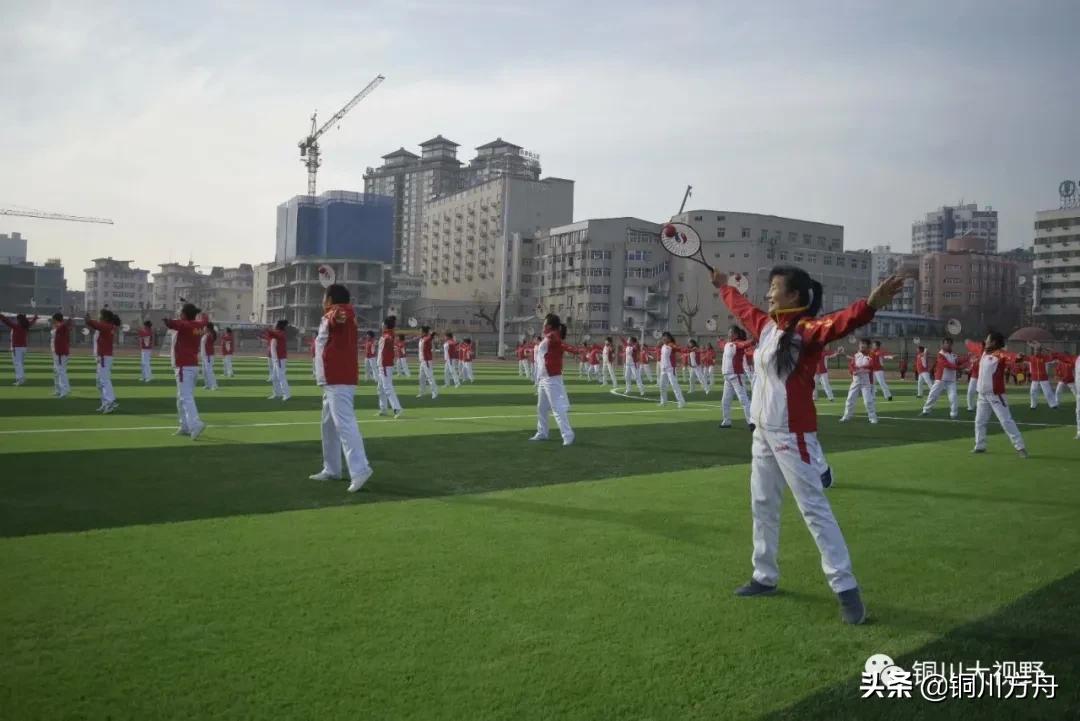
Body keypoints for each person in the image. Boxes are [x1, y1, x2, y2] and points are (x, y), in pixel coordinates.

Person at [711, 265, 904, 624]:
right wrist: (724, 287)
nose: (768, 294)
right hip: (763, 432)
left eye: (774, 288)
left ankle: (846, 590)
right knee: (763, 503)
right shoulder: (767, 327)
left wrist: (870, 305)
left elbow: (839, 323)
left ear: (794, 296)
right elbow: (742, 308)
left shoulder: (806, 331)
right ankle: (764, 575)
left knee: (813, 508)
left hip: (792, 433)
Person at [309, 284, 374, 492]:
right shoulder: (334, 314)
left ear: (330, 300)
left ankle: (360, 469)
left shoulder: (339, 313)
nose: (322, 301)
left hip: (338, 378)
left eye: (323, 297)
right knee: (328, 426)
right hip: (332, 379)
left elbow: (340, 316)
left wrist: (336, 314)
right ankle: (332, 468)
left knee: (344, 424)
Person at [972, 331, 1027, 457]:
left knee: (1006, 421)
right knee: (979, 422)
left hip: (996, 395)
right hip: (982, 395)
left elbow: (1011, 356)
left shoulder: (1000, 354)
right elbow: (973, 346)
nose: (985, 342)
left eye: (988, 340)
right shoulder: (984, 352)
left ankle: (1020, 447)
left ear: (994, 342)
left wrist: (1018, 357)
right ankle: (980, 446)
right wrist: (968, 342)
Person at [164, 303, 209, 439]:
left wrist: (168, 320)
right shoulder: (199, 325)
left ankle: (195, 424)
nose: (179, 314)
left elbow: (171, 323)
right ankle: (184, 425)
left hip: (184, 366)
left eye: (181, 312)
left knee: (185, 397)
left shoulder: (186, 326)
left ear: (184, 314)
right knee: (181, 398)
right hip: (193, 366)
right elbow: (205, 319)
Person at [529, 313, 575, 446]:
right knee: (541, 408)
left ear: (548, 325)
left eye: (544, 323)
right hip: (544, 378)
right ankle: (542, 432)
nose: (542, 325)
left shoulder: (552, 335)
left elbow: (562, 345)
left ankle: (568, 435)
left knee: (557, 408)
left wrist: (576, 351)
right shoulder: (548, 336)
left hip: (552, 378)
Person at [839, 339, 879, 424]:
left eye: (863, 344)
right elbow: (851, 366)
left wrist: (861, 369)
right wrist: (853, 371)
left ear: (868, 346)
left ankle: (873, 418)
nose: (861, 346)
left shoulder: (872, 355)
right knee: (850, 399)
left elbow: (871, 366)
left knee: (868, 400)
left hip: (866, 382)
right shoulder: (856, 355)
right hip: (855, 380)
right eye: (860, 344)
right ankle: (846, 416)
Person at [86, 310, 118, 413]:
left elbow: (95, 324)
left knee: (104, 380)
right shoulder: (106, 326)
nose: (98, 316)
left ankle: (110, 401)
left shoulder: (107, 326)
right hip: (102, 357)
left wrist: (89, 320)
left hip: (104, 356)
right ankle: (105, 402)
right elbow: (96, 326)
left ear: (105, 318)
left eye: (100, 315)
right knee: (99, 383)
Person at [719, 327, 752, 429]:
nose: (729, 334)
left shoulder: (737, 344)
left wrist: (754, 339)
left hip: (736, 375)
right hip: (727, 377)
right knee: (725, 401)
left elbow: (745, 344)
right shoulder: (728, 344)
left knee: (743, 399)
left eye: (731, 333)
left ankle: (752, 422)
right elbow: (722, 345)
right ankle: (726, 421)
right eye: (729, 332)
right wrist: (720, 341)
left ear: (736, 335)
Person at [921, 338, 959, 418]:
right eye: (946, 343)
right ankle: (926, 410)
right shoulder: (940, 354)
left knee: (953, 397)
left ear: (952, 345)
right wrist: (959, 367)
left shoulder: (953, 355)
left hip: (951, 380)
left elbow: (959, 361)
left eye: (949, 343)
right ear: (943, 344)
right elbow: (946, 364)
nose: (948, 345)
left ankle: (954, 414)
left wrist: (969, 358)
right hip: (940, 379)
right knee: (933, 395)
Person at [375, 316, 404, 418]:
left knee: (387, 387)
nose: (382, 325)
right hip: (382, 364)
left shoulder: (388, 336)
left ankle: (397, 409)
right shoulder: (387, 335)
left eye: (383, 323)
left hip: (385, 365)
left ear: (385, 325)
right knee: (380, 388)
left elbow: (390, 339)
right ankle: (383, 409)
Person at [1, 312, 37, 385]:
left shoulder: (17, 326)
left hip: (17, 348)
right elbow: (31, 322)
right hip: (23, 347)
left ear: (19, 320)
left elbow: (7, 321)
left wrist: (1, 315)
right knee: (20, 364)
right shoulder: (25, 326)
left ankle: (20, 379)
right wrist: (35, 318)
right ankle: (22, 378)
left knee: (17, 364)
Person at [657, 332, 686, 408]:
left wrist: (684, 351)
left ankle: (681, 402)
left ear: (669, 338)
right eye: (663, 337)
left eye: (665, 337)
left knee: (674, 385)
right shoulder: (663, 346)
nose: (664, 338)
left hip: (670, 369)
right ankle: (663, 401)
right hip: (663, 369)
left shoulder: (671, 345)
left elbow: (679, 348)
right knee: (662, 386)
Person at [1027, 344, 1059, 409]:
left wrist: (1050, 351)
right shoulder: (1031, 358)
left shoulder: (1045, 358)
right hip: (1034, 378)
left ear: (1040, 351)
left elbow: (1053, 358)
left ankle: (1053, 405)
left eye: (1038, 350)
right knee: (1033, 392)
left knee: (1048, 392)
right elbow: (1019, 359)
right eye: (1035, 350)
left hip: (1043, 378)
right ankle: (1033, 405)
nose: (1036, 352)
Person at [267, 319, 291, 401]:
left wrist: (266, 329)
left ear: (278, 326)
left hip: (279, 359)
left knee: (281, 377)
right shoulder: (277, 333)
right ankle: (277, 393)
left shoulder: (280, 333)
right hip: (276, 359)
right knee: (274, 377)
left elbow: (272, 334)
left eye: (275, 323)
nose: (273, 324)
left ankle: (286, 394)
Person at [50, 312, 72, 398]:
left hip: (60, 353)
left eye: (53, 319)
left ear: (55, 319)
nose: (52, 321)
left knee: (61, 372)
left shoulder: (62, 326)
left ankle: (65, 391)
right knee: (56, 372)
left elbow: (65, 324)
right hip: (55, 352)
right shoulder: (58, 326)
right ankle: (58, 390)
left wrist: (70, 316)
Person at [416, 326, 439, 399]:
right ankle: (422, 392)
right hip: (422, 361)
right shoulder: (421, 339)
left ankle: (434, 392)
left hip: (427, 361)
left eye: (421, 331)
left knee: (429, 377)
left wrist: (433, 333)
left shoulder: (427, 339)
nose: (419, 332)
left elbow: (430, 337)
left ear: (424, 332)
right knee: (421, 378)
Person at [965, 342, 983, 413]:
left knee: (981, 393)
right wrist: (968, 369)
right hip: (974, 376)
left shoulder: (984, 355)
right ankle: (970, 407)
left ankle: (981, 407)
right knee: (970, 392)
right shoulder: (973, 356)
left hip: (982, 377)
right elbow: (971, 366)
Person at [200, 321, 219, 390]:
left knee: (209, 371)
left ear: (208, 328)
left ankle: (214, 385)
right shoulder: (205, 335)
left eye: (205, 326)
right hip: (204, 355)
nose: (204, 328)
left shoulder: (210, 335)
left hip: (208, 355)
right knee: (204, 371)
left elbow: (212, 338)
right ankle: (207, 384)